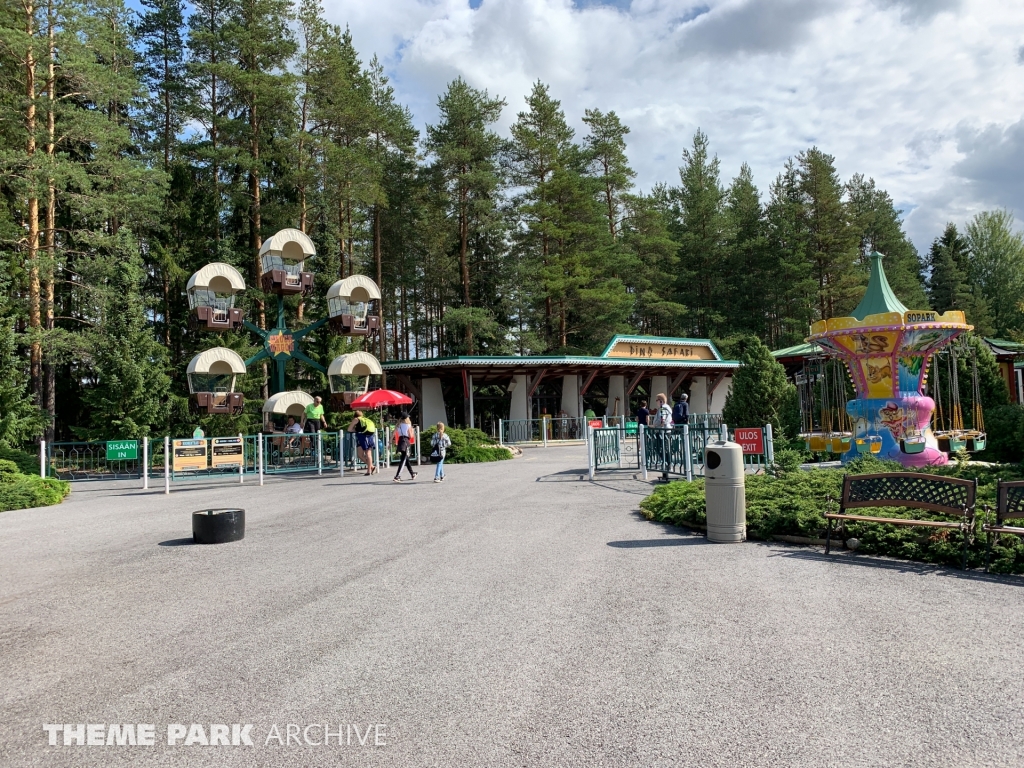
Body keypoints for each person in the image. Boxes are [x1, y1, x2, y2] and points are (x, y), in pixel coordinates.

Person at [347, 409, 378, 475]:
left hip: (363, 437)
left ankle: (369, 471)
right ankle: (371, 466)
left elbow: (349, 429)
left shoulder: (356, 419)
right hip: (367, 436)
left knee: (367, 454)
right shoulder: (366, 419)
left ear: (355, 415)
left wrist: (355, 430)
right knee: (360, 455)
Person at [392, 412, 417, 483]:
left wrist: (389, 442)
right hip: (406, 442)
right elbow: (411, 436)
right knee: (403, 460)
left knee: (405, 458)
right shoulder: (408, 425)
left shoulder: (398, 425)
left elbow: (393, 434)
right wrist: (411, 430)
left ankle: (412, 473)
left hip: (400, 441)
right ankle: (397, 476)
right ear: (406, 418)